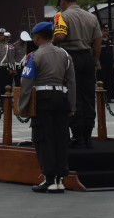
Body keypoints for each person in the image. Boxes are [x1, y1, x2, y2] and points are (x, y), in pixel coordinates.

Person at [16, 21, 76, 193]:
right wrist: (72, 105)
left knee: (44, 138)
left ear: (36, 37)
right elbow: (72, 82)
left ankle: (49, 179)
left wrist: (22, 106)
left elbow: (26, 82)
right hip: (61, 98)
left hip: (43, 99)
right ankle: (60, 179)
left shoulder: (34, 56)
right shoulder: (65, 55)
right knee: (61, 138)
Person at [52, 0, 102, 149]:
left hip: (70, 56)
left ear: (62, 2)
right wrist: (93, 61)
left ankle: (78, 136)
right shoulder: (92, 17)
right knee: (88, 97)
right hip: (87, 57)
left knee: (73, 96)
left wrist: (51, 43)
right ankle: (88, 136)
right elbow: (97, 43)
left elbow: (60, 36)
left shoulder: (61, 16)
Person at [96, 25, 114, 101]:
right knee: (102, 81)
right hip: (101, 64)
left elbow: (113, 52)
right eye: (104, 31)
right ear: (101, 31)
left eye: (107, 31)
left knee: (109, 80)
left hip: (109, 63)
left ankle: (108, 96)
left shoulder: (110, 41)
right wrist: (98, 64)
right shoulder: (98, 40)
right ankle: (102, 97)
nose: (106, 32)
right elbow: (95, 52)